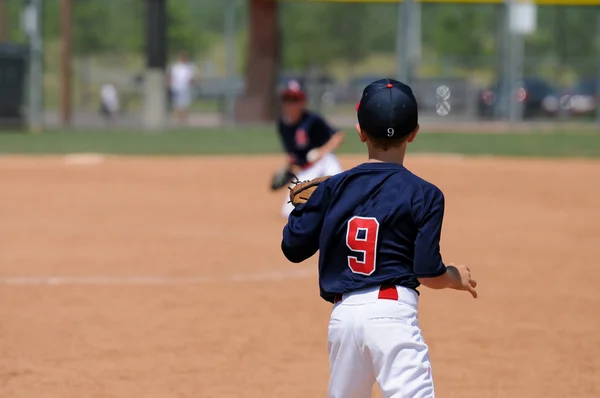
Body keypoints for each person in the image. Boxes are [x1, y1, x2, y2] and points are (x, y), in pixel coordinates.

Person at [281, 78, 478, 398]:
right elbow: (427, 270)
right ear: (414, 133)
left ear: (360, 131)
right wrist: (455, 277)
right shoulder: (426, 194)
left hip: (343, 318)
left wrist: (312, 207)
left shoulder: (336, 188)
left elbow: (292, 246)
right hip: (392, 316)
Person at [277, 79, 345, 218]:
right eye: (287, 99)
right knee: (288, 212)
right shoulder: (282, 125)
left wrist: (321, 151)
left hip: (324, 161)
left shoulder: (312, 120)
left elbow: (338, 136)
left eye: (295, 99)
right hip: (306, 169)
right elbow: (292, 153)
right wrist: (289, 170)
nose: (290, 104)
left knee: (340, 191)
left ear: (302, 102)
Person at [167, 52, 198, 125]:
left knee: (185, 104)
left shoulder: (190, 67)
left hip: (186, 88)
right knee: (176, 104)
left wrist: (192, 81)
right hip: (176, 88)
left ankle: (184, 119)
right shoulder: (175, 67)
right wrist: (169, 83)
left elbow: (193, 78)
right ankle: (177, 119)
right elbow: (170, 77)